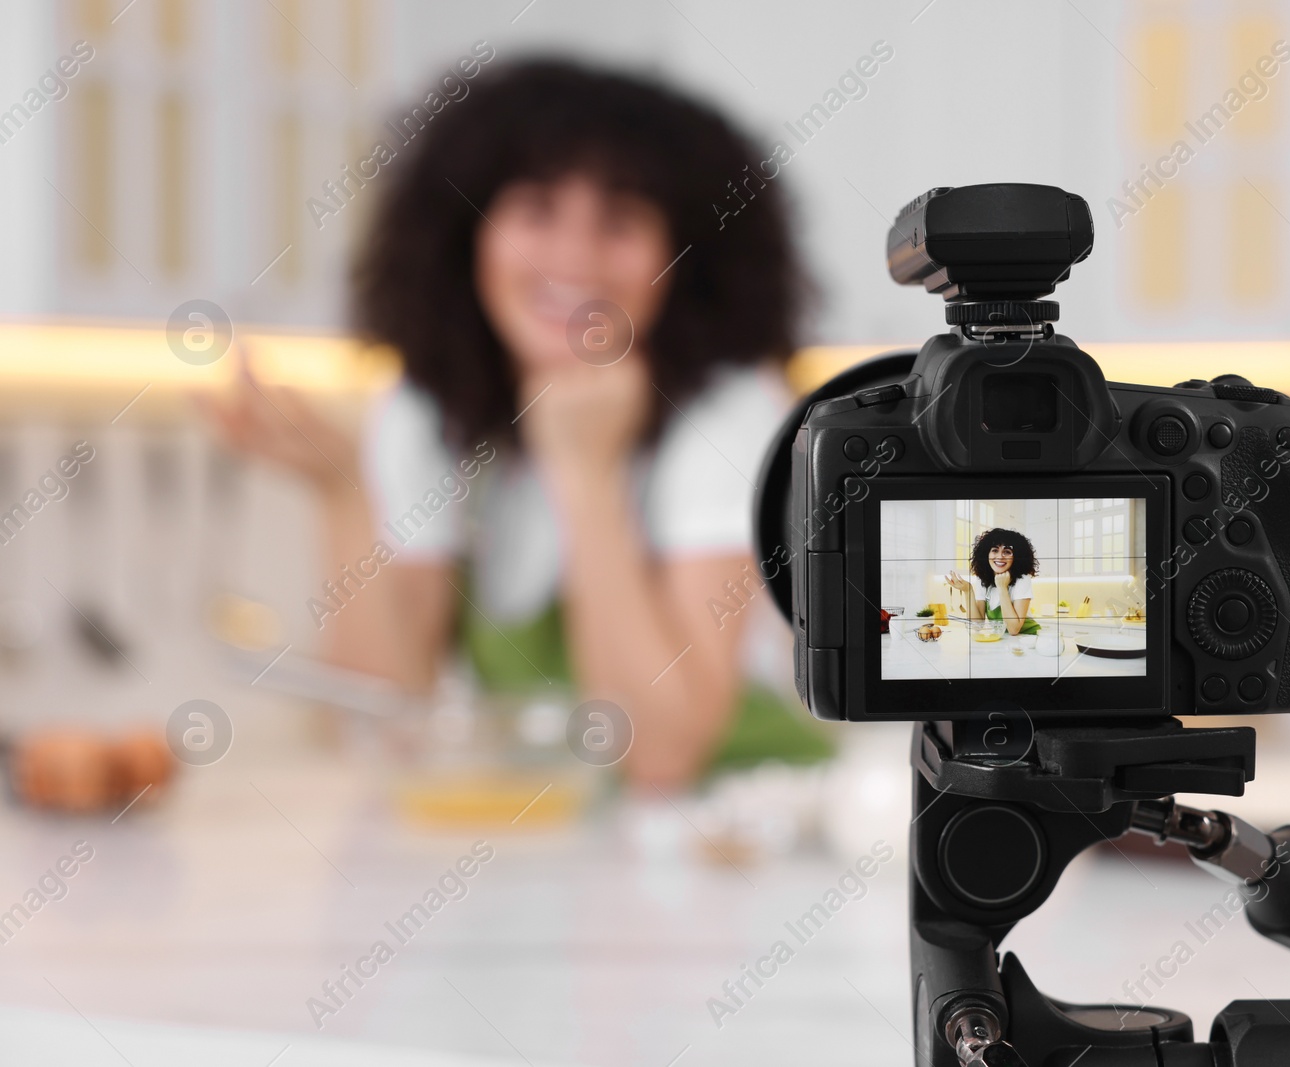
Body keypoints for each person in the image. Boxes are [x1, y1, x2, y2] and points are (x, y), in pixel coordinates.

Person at [207, 59, 831, 789]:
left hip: (741, 848)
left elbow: (657, 756)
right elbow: (377, 724)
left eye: (619, 221)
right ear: (468, 235)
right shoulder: (425, 413)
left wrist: (586, 471)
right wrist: (350, 495)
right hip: (551, 846)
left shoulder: (727, 416)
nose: (574, 259)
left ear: (681, 258)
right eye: (537, 211)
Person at [945, 528, 1041, 636]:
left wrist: (1002, 587)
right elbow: (977, 625)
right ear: (987, 554)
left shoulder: (1022, 579)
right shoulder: (983, 579)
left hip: (1028, 640)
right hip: (1004, 641)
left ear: (1016, 557)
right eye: (995, 550)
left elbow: (1014, 629)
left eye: (1007, 552)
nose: (1000, 556)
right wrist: (968, 591)